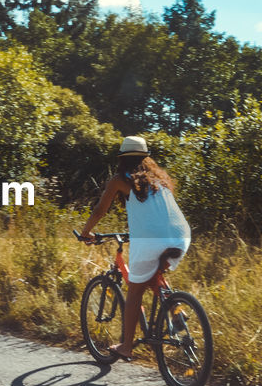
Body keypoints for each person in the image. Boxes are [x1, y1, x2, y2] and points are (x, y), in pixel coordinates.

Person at [80, 135, 191, 360]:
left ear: (122, 159)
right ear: (145, 158)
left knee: (134, 292)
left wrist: (86, 232)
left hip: (151, 241)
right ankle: (176, 310)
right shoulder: (160, 179)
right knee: (152, 275)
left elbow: (100, 209)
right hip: (181, 236)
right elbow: (155, 213)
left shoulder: (120, 179)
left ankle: (126, 346)